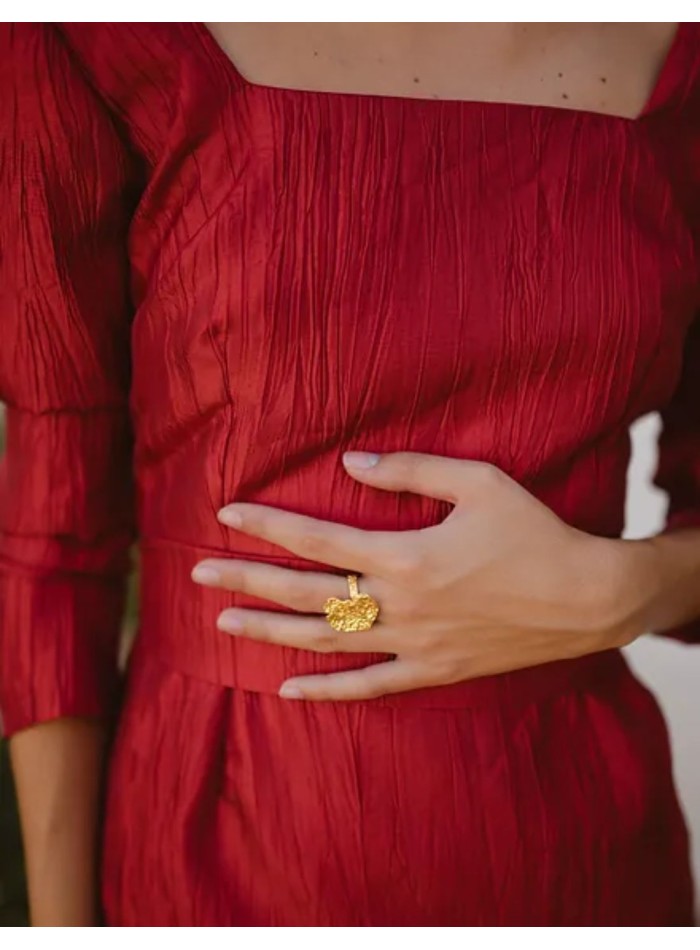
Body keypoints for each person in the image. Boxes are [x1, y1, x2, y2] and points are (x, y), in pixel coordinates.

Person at [1, 22, 699, 927]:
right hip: (227, 838)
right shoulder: (86, 32)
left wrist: (624, 590)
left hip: (579, 844)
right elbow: (55, 540)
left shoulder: (677, 59)